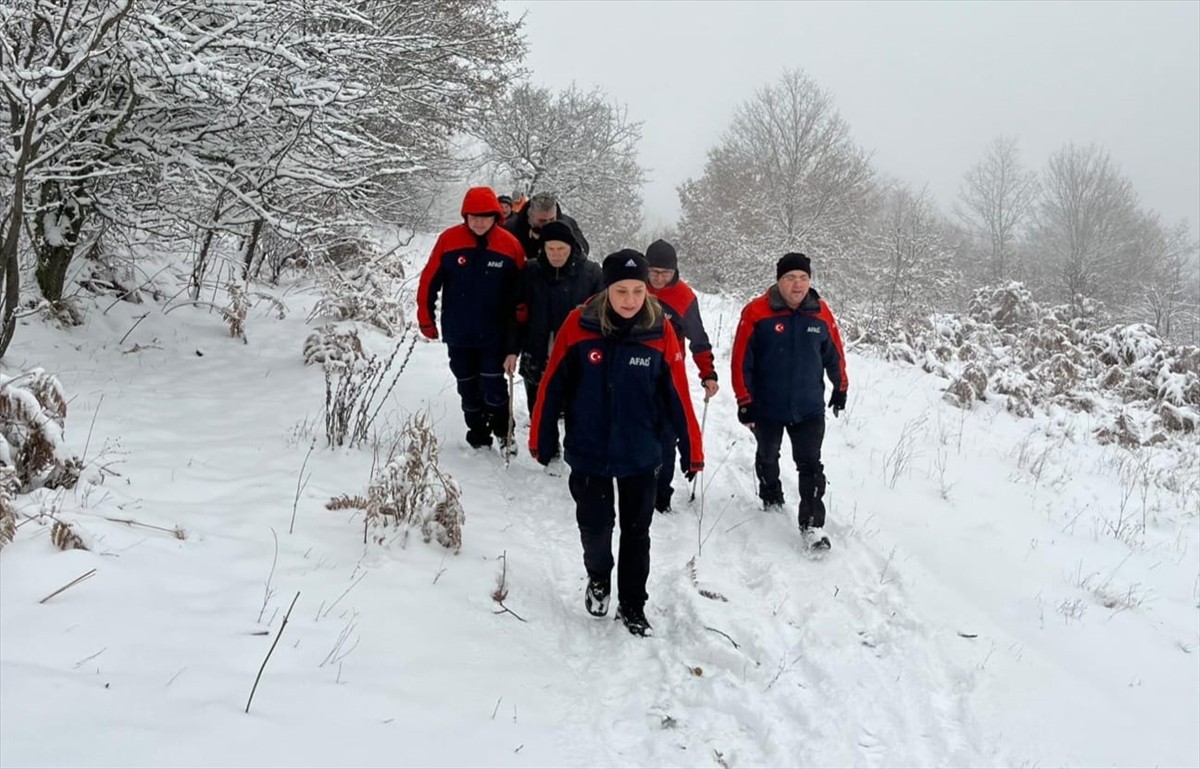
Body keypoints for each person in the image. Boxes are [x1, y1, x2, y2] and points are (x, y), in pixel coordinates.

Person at [530, 250, 704, 637]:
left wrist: (692, 449)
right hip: (589, 448)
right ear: (607, 289)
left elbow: (678, 394)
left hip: (640, 451)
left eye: (638, 291)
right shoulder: (579, 324)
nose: (630, 300)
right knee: (595, 528)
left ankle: (632, 604)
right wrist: (541, 436)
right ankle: (598, 577)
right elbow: (552, 384)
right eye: (621, 291)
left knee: (636, 533)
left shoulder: (660, 330)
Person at [730, 252, 848, 551]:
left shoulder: (821, 312)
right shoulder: (757, 312)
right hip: (767, 405)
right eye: (790, 278)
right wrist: (744, 400)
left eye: (803, 278)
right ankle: (771, 494)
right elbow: (741, 360)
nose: (798, 285)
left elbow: (834, 353)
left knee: (811, 465)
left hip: (809, 406)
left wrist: (840, 387)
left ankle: (812, 526)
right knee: (768, 454)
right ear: (779, 280)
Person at [417, 187, 526, 451]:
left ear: (495, 217)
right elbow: (429, 281)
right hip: (459, 331)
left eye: (485, 217)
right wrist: (426, 319)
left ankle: (504, 431)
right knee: (467, 386)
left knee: (493, 385)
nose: (478, 222)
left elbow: (520, 298)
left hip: (494, 333)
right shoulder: (449, 240)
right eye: (473, 216)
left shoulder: (510, 245)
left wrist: (516, 339)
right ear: (465, 216)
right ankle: (478, 433)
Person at [644, 239, 719, 513]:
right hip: (634, 373)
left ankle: (661, 494)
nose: (658, 278)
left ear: (675, 271)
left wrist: (708, 372)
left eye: (665, 273)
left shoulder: (684, 297)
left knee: (667, 436)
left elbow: (698, 339)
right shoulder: (634, 287)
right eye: (653, 272)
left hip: (668, 375)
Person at [516, 221, 603, 451]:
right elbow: (517, 312)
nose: (556, 254)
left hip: (576, 353)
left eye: (561, 249)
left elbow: (603, 314)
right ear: (543, 248)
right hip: (537, 349)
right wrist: (511, 349)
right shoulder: (530, 271)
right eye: (550, 248)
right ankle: (548, 450)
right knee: (540, 404)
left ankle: (576, 451)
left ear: (571, 247)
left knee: (576, 406)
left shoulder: (591, 273)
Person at [505, 191, 590, 261]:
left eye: (552, 219)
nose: (548, 224)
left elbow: (582, 252)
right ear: (530, 215)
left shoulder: (568, 225)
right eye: (542, 221)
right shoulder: (512, 228)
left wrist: (561, 238)